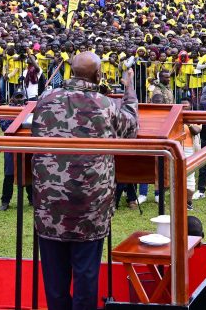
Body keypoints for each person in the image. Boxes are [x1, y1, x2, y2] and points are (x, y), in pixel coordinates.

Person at [30, 52, 139, 310]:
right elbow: (131, 127)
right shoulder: (105, 104)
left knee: (54, 280)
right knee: (86, 276)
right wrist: (129, 89)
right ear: (98, 75)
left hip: (50, 203)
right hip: (90, 205)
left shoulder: (46, 99)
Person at [0, 91, 33, 211]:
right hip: (11, 145)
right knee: (9, 174)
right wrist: (17, 115)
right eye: (17, 97)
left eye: (21, 97)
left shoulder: (30, 110)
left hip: (26, 144)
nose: (19, 100)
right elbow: (4, 127)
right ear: (12, 99)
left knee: (28, 171)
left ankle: (32, 198)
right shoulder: (7, 111)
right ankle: (5, 201)